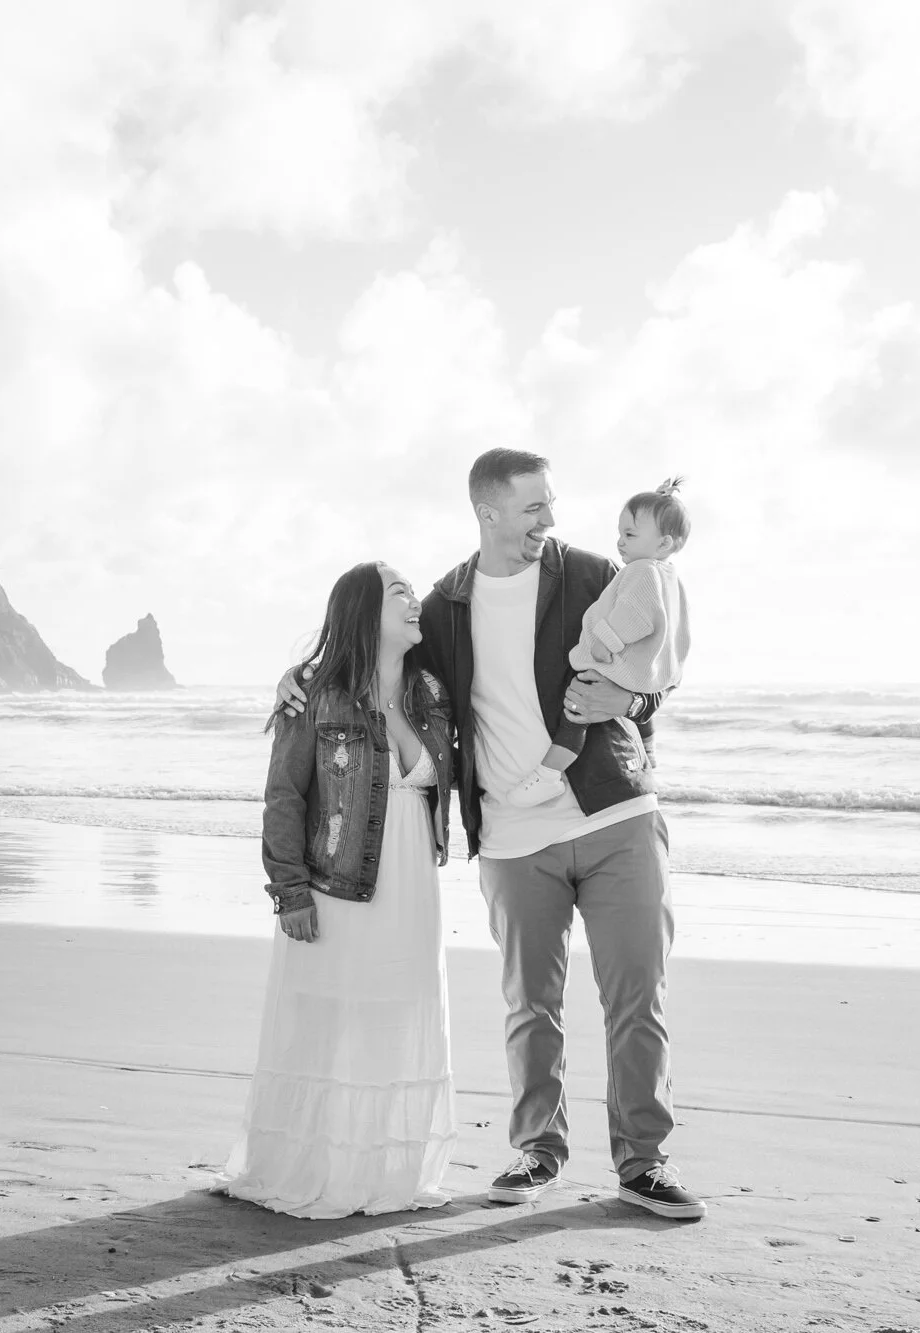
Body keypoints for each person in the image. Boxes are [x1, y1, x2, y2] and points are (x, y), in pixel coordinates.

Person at [278, 448, 706, 1222]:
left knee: (637, 997)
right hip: (511, 837)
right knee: (530, 1005)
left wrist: (631, 701)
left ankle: (644, 1163)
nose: (550, 519)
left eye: (551, 503)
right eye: (534, 506)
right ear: (489, 513)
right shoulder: (444, 607)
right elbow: (382, 669)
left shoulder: (591, 575)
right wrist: (302, 679)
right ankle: (539, 1150)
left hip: (616, 816)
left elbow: (657, 663)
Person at [216, 561, 459, 1219]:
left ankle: (383, 1171)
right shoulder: (317, 696)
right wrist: (289, 890)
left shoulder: (432, 692)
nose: (415, 602)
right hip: (336, 890)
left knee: (397, 1016)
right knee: (324, 1024)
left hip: (413, 890)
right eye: (399, 593)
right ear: (363, 611)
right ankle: (314, 1166)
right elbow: (285, 794)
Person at [507, 477, 692, 808]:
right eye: (620, 534)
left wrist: (604, 642)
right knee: (636, 717)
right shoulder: (668, 575)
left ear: (663, 544)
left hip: (612, 661)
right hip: (645, 671)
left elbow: (635, 617)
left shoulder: (642, 572)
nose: (620, 542)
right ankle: (648, 750)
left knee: (575, 713)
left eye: (630, 535)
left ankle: (548, 774)